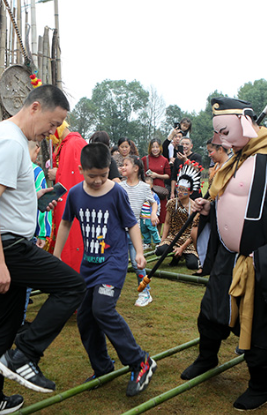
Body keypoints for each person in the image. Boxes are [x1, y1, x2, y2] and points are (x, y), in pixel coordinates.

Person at [183, 97, 267, 410]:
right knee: (212, 310)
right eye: (218, 134)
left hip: (259, 258)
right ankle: (207, 357)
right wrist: (210, 206)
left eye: (225, 131)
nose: (220, 140)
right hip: (228, 253)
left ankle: (259, 385)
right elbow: (233, 200)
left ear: (245, 122)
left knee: (258, 324)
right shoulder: (238, 157)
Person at [0, 84, 85, 415]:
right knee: (72, 286)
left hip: (0, 242)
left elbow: (1, 197)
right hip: (5, 246)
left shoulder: (8, 137)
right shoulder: (9, 143)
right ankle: (25, 355)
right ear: (35, 107)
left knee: (6, 323)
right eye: (52, 122)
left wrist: (33, 197)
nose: (52, 132)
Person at [53, 143, 157, 397]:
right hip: (89, 265)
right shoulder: (76, 194)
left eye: (103, 174)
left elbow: (131, 224)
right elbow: (66, 222)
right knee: (86, 317)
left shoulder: (116, 193)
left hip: (114, 261)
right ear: (81, 170)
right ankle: (103, 367)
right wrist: (55, 256)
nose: (98, 180)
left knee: (102, 308)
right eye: (92, 176)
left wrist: (140, 252)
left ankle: (140, 361)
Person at [47, 123, 87, 273]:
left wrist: (57, 174)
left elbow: (78, 176)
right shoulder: (63, 146)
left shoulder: (76, 143)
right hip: (61, 202)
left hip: (72, 204)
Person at [119, 155, 156, 307]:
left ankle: (145, 292)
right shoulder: (119, 186)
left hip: (134, 231)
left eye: (126, 164)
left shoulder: (144, 187)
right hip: (119, 231)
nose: (122, 167)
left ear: (135, 168)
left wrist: (153, 213)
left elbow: (153, 202)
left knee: (137, 263)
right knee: (118, 263)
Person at [155, 160, 203, 272]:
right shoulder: (172, 203)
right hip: (173, 238)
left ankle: (183, 255)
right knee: (160, 251)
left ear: (190, 192)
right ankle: (175, 254)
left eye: (183, 190)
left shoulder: (195, 207)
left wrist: (182, 248)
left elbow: (193, 233)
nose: (180, 192)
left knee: (192, 264)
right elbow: (167, 223)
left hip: (188, 241)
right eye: (178, 189)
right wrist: (163, 241)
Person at [142, 138, 170, 223]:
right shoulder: (145, 159)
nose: (155, 149)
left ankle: (157, 235)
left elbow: (168, 175)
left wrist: (157, 175)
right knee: (147, 213)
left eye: (157, 147)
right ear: (150, 148)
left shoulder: (164, 160)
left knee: (160, 215)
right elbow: (141, 173)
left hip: (160, 190)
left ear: (160, 148)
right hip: (148, 189)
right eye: (153, 147)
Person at [139, 180, 162, 250]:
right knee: (144, 230)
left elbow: (157, 205)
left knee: (153, 230)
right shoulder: (141, 195)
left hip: (150, 217)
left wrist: (156, 214)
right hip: (142, 217)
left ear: (151, 186)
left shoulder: (154, 196)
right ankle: (147, 243)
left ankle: (158, 242)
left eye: (148, 185)